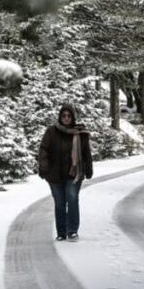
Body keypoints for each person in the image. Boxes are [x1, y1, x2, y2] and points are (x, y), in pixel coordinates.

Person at [37, 103, 93, 241]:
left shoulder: (80, 133)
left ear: (73, 117)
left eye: (69, 115)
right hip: (54, 174)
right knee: (60, 203)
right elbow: (43, 150)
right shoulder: (51, 131)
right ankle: (61, 232)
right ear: (60, 116)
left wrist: (89, 168)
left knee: (72, 200)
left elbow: (86, 153)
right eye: (64, 115)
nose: (66, 118)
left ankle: (72, 231)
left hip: (74, 174)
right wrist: (43, 166)